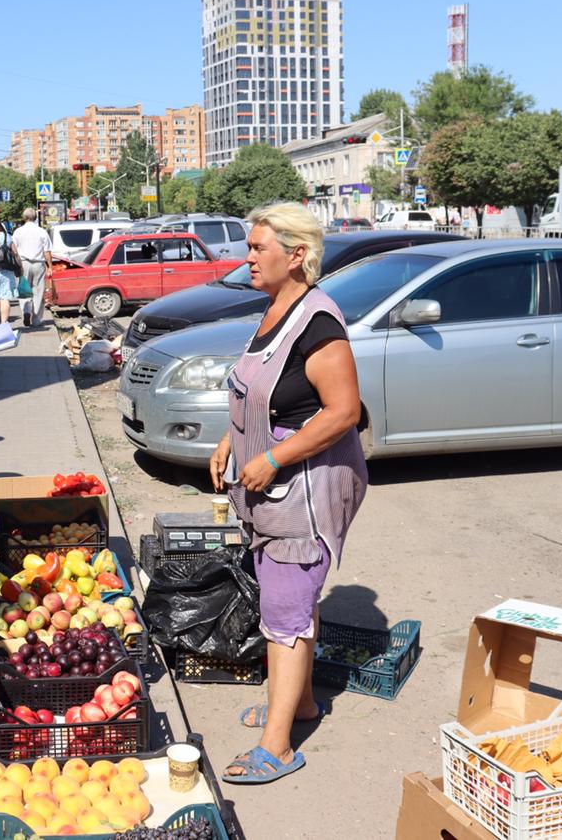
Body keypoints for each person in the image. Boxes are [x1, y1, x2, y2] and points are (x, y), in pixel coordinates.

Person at [208, 202, 367, 786]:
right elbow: (264, 395)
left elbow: (344, 411)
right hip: (272, 488)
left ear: (296, 255)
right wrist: (231, 442)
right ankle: (298, 702)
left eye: (257, 249)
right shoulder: (275, 309)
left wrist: (272, 456)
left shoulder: (319, 321)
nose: (246, 258)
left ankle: (278, 745)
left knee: (285, 617)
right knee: (287, 602)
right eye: (248, 247)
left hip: (306, 491)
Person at [11, 207, 53, 327]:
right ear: (35, 217)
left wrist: (17, 263)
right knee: (38, 291)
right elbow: (47, 251)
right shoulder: (41, 231)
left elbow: (13, 250)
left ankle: (26, 311)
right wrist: (50, 266)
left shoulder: (18, 231)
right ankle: (36, 320)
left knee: (24, 290)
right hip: (38, 264)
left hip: (23, 263)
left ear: (24, 218)